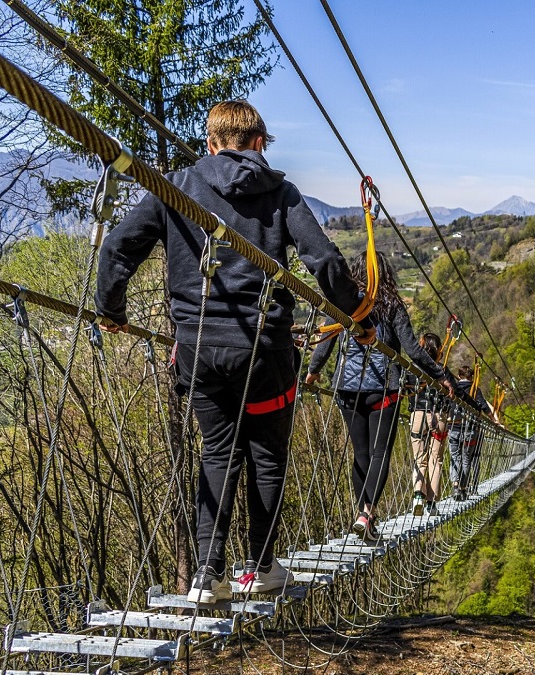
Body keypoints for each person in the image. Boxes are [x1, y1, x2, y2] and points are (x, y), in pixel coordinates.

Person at [95, 101, 370, 605]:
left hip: (199, 353)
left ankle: (206, 574)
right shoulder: (282, 194)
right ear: (260, 143)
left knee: (218, 452)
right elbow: (326, 262)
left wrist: (111, 310)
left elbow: (117, 248)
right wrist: (361, 319)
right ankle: (261, 567)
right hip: (266, 355)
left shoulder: (174, 185)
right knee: (267, 456)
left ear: (210, 143)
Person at [305, 253, 452, 541]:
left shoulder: (343, 300)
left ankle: (364, 515)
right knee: (378, 453)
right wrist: (439, 374)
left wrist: (312, 372)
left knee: (360, 454)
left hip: (346, 390)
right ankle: (367, 513)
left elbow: (325, 340)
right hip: (383, 390)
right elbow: (412, 349)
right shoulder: (392, 305)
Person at [408, 333, 449, 516]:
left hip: (418, 415)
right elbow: (459, 395)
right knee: (435, 459)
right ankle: (431, 504)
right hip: (438, 416)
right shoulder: (443, 371)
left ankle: (418, 495)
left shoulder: (411, 369)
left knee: (419, 458)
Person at [446, 364, 493, 501]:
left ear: (459, 376)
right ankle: (463, 488)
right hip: (470, 430)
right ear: (471, 377)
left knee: (455, 458)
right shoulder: (475, 390)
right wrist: (494, 420)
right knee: (466, 459)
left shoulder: (453, 388)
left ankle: (455, 485)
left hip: (453, 428)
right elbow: (484, 406)